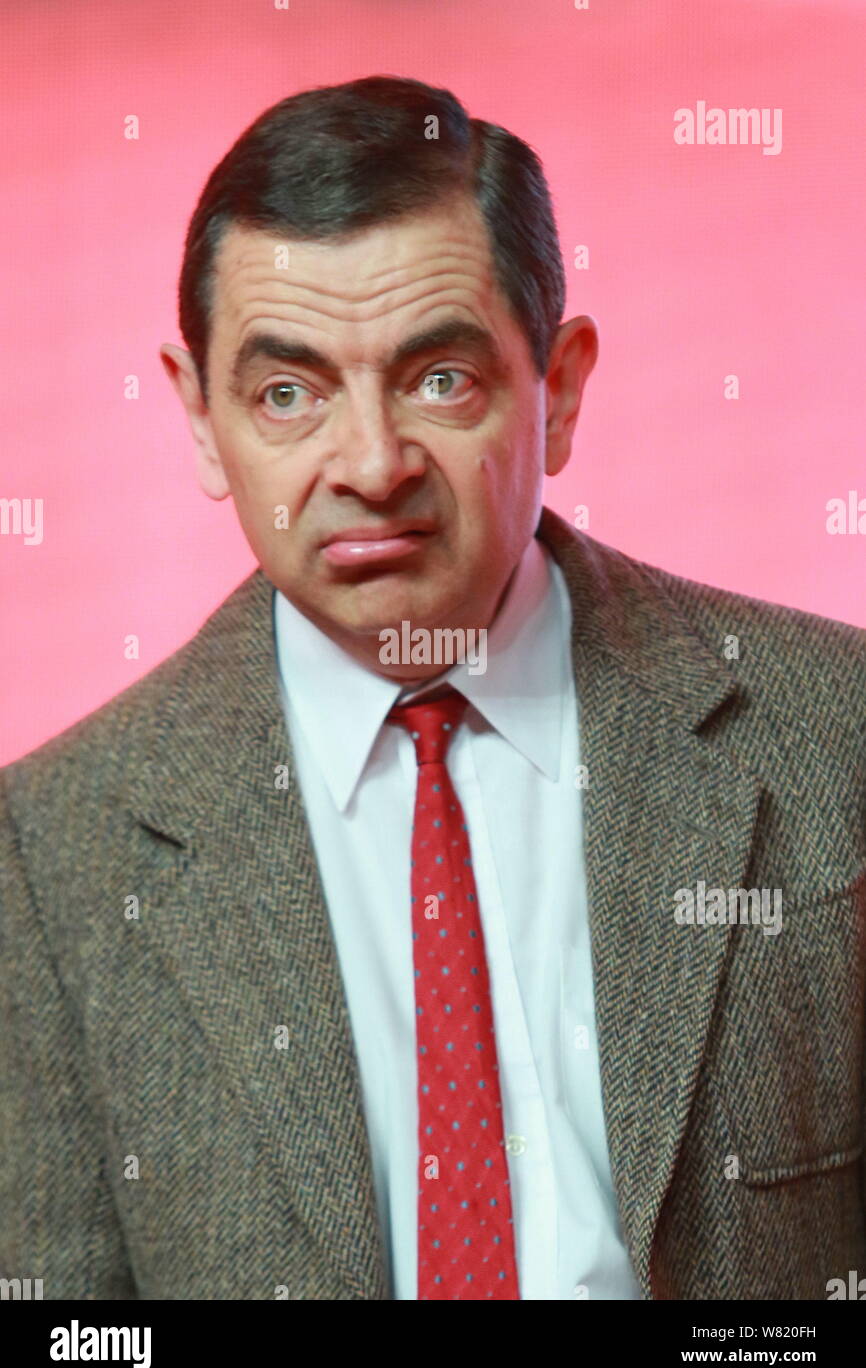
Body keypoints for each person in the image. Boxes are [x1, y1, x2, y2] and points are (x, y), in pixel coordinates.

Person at [1, 75, 864, 1302]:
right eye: (286, 393)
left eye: (439, 379)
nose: (368, 465)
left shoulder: (837, 734)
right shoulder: (47, 856)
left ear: (556, 388)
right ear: (200, 418)